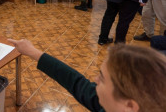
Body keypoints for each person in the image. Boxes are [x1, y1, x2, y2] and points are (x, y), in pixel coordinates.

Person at [8, 38, 166, 112]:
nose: (95, 80)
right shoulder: (109, 104)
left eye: (102, 79)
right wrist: (33, 52)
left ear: (130, 106)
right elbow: (75, 82)